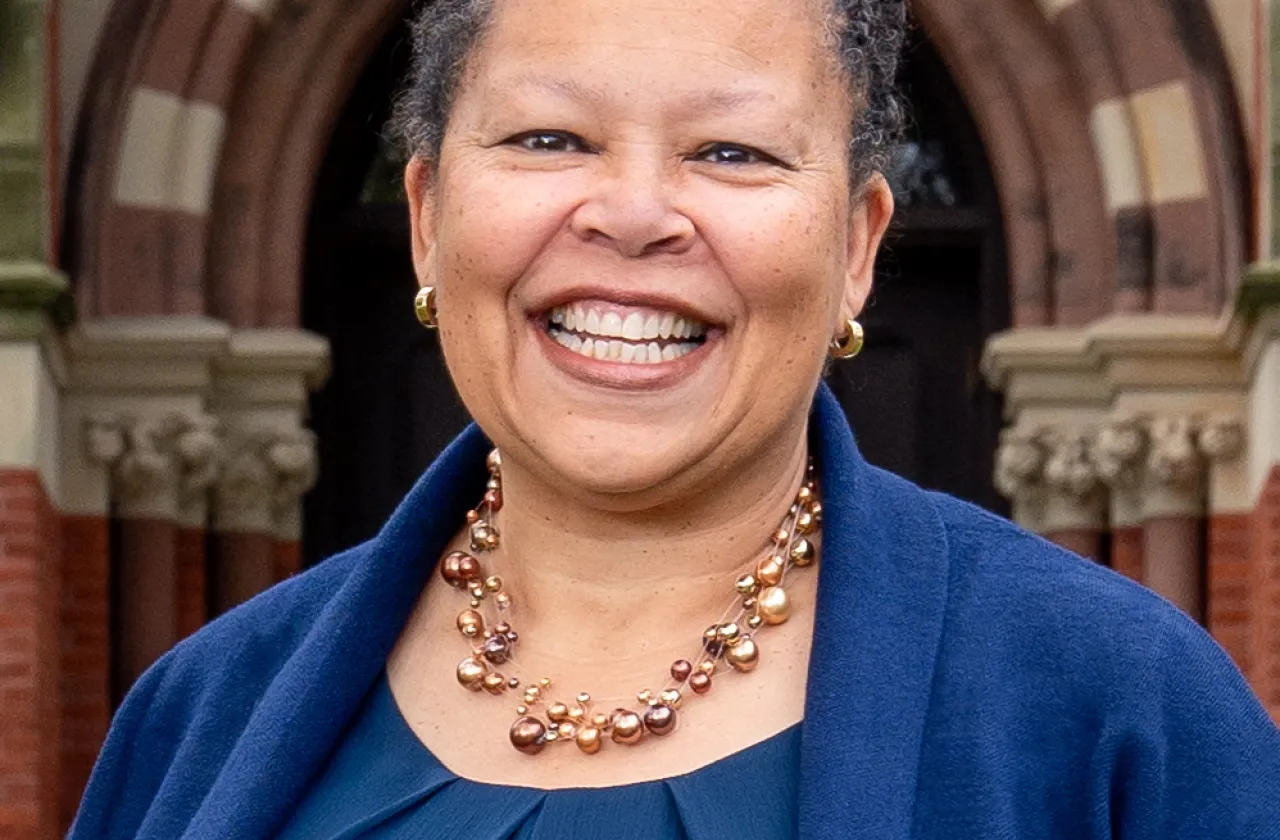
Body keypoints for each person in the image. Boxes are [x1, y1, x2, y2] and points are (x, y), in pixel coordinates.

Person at [71, 0, 1280, 836]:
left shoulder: (1116, 706)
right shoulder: (198, 715)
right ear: (427, 214)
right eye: (549, 137)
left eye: (734, 151)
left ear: (858, 247)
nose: (635, 213)